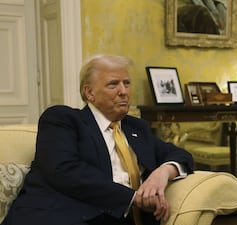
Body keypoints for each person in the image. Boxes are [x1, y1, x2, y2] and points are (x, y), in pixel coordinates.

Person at [2, 54, 194, 225]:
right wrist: (134, 197)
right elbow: (64, 171)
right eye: (113, 84)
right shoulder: (63, 119)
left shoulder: (136, 127)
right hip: (64, 216)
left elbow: (180, 154)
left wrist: (163, 172)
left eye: (126, 83)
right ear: (89, 93)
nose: (123, 91)